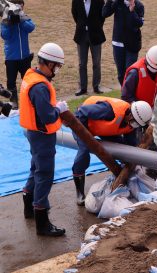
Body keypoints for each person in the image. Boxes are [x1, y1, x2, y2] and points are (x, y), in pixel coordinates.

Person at [19, 43, 67, 237]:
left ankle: (28, 206)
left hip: (33, 132)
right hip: (42, 135)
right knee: (45, 174)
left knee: (35, 169)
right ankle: (42, 221)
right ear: (47, 63)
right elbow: (48, 116)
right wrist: (59, 109)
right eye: (55, 66)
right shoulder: (40, 87)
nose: (56, 70)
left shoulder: (31, 75)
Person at [72, 96, 152, 205]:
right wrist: (86, 135)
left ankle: (126, 179)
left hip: (102, 129)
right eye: (134, 122)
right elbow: (81, 112)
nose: (134, 125)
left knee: (123, 150)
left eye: (137, 124)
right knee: (84, 151)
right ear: (130, 114)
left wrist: (134, 161)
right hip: (82, 123)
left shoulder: (132, 122)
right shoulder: (108, 110)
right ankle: (79, 192)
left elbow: (131, 144)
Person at [1, 0, 35, 109]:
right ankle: (14, 105)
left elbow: (31, 27)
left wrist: (21, 20)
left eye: (21, 8)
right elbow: (5, 36)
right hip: (11, 58)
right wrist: (9, 22)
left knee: (28, 82)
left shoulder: (23, 17)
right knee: (11, 83)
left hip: (25, 57)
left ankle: (29, 103)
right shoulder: (5, 20)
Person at [102, 0, 144, 85]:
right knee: (121, 74)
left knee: (130, 72)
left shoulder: (139, 5)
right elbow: (104, 13)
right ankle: (124, 93)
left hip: (132, 44)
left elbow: (139, 23)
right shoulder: (118, 3)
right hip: (118, 44)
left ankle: (129, 95)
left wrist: (132, 11)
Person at [72, 0, 106, 96]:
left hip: (96, 35)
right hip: (81, 35)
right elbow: (75, 14)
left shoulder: (99, 1)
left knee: (96, 62)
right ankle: (83, 88)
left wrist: (95, 26)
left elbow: (102, 16)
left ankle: (96, 86)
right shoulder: (76, 1)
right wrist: (82, 25)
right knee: (82, 64)